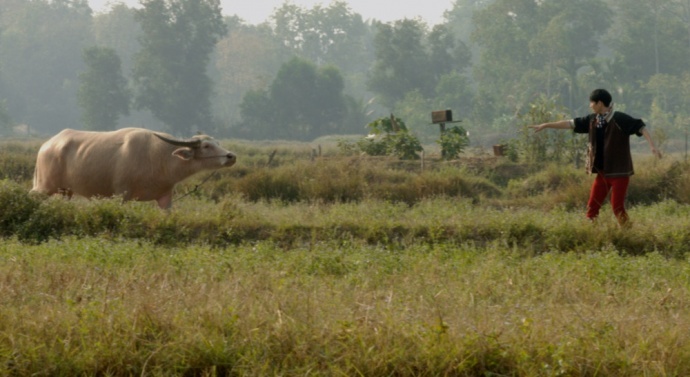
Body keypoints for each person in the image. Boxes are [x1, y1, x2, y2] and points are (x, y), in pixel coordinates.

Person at [529, 88, 662, 226]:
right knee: (592, 207)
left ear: (599, 103)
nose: (590, 105)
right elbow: (570, 123)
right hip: (602, 173)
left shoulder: (619, 118)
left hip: (619, 173)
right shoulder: (593, 120)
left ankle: (628, 232)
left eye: (591, 103)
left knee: (617, 207)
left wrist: (652, 146)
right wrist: (546, 125)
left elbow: (641, 127)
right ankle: (591, 232)